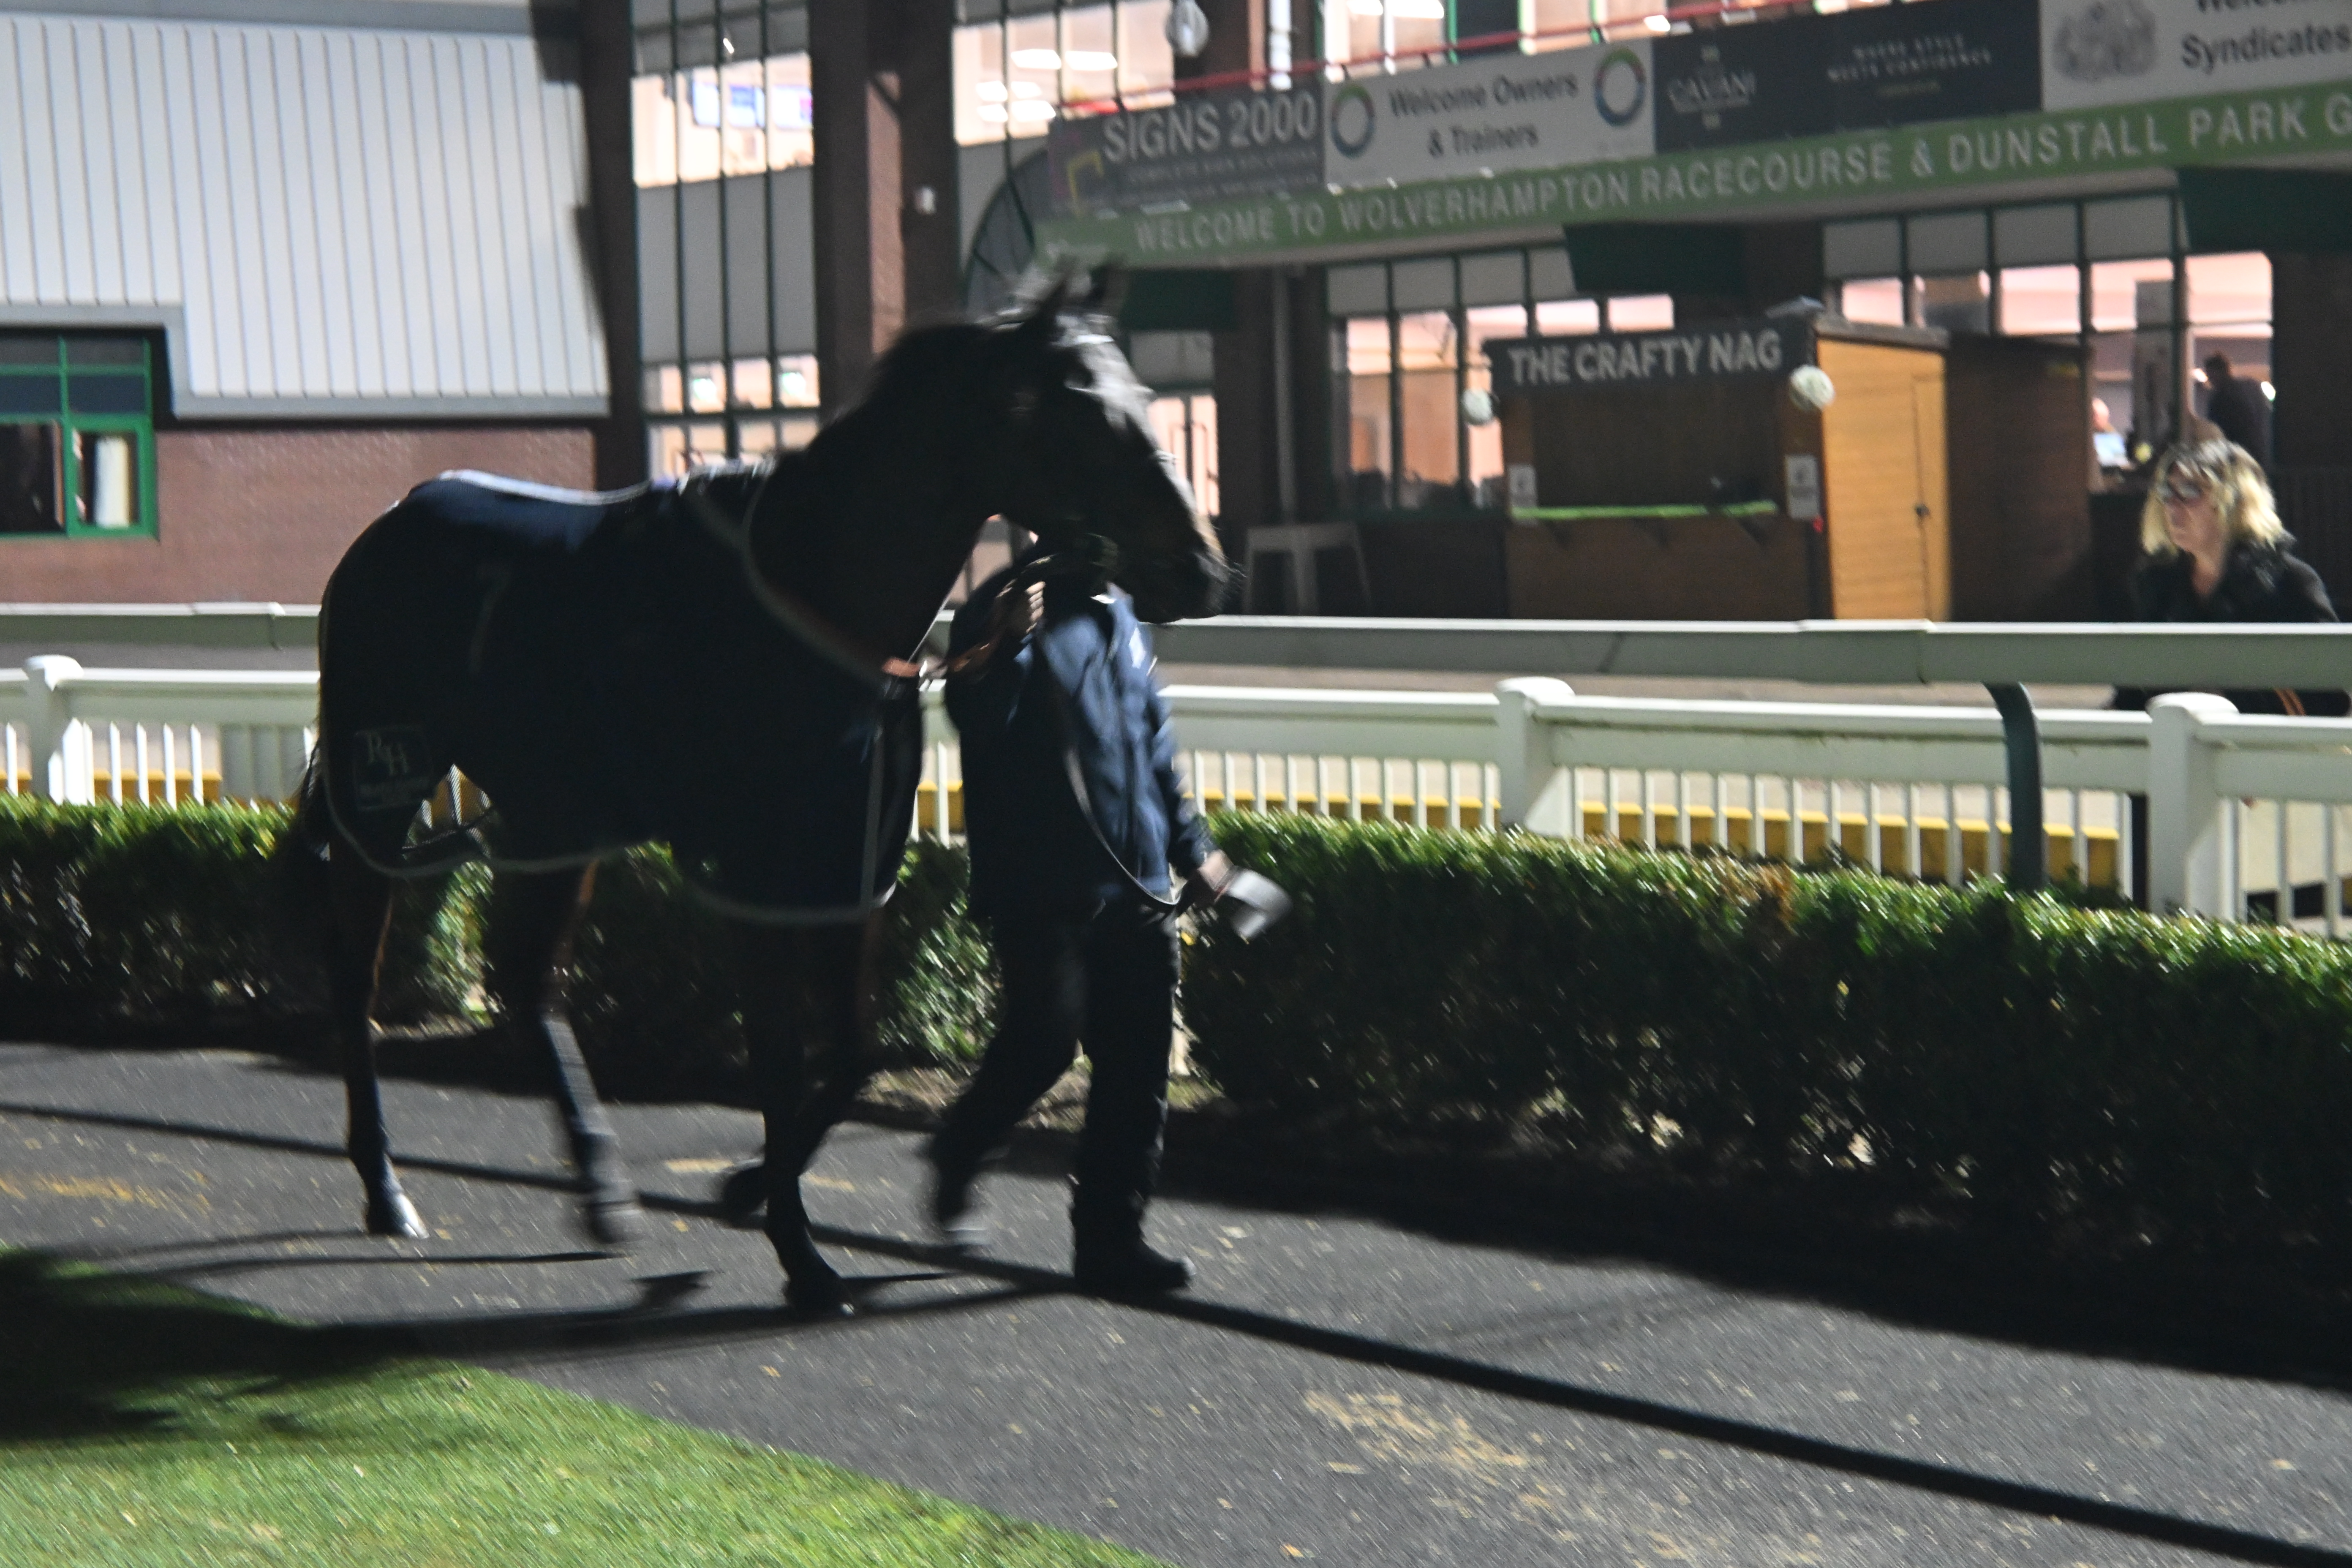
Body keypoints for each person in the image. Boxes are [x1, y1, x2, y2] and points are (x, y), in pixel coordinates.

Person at [927, 546, 1229, 1295]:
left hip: (1136, 886)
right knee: (1043, 1045)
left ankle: (1110, 1242)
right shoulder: (1000, 608)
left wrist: (1192, 848)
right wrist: (1005, 646)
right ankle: (960, 1147)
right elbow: (974, 719)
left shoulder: (1119, 613)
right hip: (1042, 890)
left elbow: (1152, 739)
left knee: (1136, 1068)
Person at [2111, 436, 2344, 906]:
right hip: (2167, 782)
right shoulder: (2156, 584)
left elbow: (2331, 692)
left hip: (2260, 783)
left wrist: (2237, 714)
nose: (2173, 507)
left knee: (2254, 932)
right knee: (2162, 917)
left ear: (2234, 499)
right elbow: (2132, 689)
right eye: (2166, 493)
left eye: (2190, 493)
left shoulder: (2290, 583)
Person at [2200, 353, 2273, 468]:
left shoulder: (2220, 398)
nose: (2209, 379)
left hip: (2236, 455)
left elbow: (2216, 430)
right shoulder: (2252, 387)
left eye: (2210, 374)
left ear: (2217, 372)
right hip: (2262, 452)